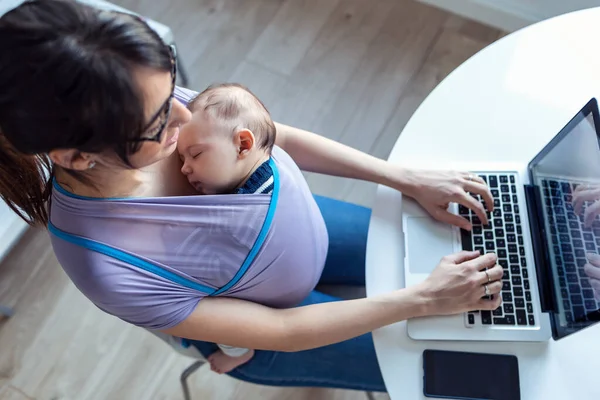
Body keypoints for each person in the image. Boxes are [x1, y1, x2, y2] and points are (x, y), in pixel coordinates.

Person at [0, 0, 503, 393]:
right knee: (457, 368)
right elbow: (282, 333)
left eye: (173, 87)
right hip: (278, 326)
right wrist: (420, 300)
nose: (184, 115)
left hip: (297, 223)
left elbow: (267, 134)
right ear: (77, 156)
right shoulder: (106, 265)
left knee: (465, 245)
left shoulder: (141, 99)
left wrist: (405, 178)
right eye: (158, 123)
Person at [176, 83, 281, 372]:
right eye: (182, 159)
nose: (184, 168)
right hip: (290, 267)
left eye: (195, 155)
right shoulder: (271, 170)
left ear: (243, 145)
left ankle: (238, 352)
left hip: (263, 293)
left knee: (214, 299)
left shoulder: (243, 211)